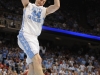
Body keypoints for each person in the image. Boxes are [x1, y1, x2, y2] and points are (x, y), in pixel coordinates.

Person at [17, 0, 60, 75]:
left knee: (33, 66)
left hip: (34, 39)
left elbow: (57, 6)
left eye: (44, 1)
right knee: (37, 59)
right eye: (41, 0)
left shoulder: (45, 10)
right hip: (25, 35)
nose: (42, 2)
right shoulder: (28, 5)